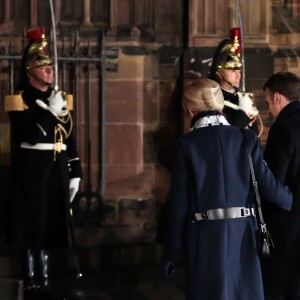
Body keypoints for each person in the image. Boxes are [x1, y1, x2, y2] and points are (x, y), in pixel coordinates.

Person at [163, 78, 292, 300]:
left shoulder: (186, 145)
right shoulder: (246, 138)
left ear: (189, 109)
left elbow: (179, 204)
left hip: (204, 237)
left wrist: (171, 252)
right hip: (244, 236)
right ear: (220, 106)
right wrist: (291, 200)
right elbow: (270, 188)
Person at [4, 27, 82, 297]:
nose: (49, 70)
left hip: (56, 167)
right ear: (30, 72)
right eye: (43, 66)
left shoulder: (60, 98)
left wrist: (75, 171)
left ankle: (45, 277)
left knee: (50, 225)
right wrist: (50, 111)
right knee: (32, 225)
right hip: (33, 169)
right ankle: (31, 279)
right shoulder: (19, 100)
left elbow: (70, 136)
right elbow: (29, 135)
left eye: (50, 66)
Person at [262, 71, 300, 300]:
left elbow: (273, 180)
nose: (268, 110)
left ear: (278, 97)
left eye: (267, 101)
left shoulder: (283, 127)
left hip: (288, 221)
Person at [208, 28, 262, 136]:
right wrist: (242, 116)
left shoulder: (243, 98)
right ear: (219, 72)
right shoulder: (212, 99)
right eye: (232, 70)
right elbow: (221, 134)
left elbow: (255, 136)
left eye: (239, 70)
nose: (238, 75)